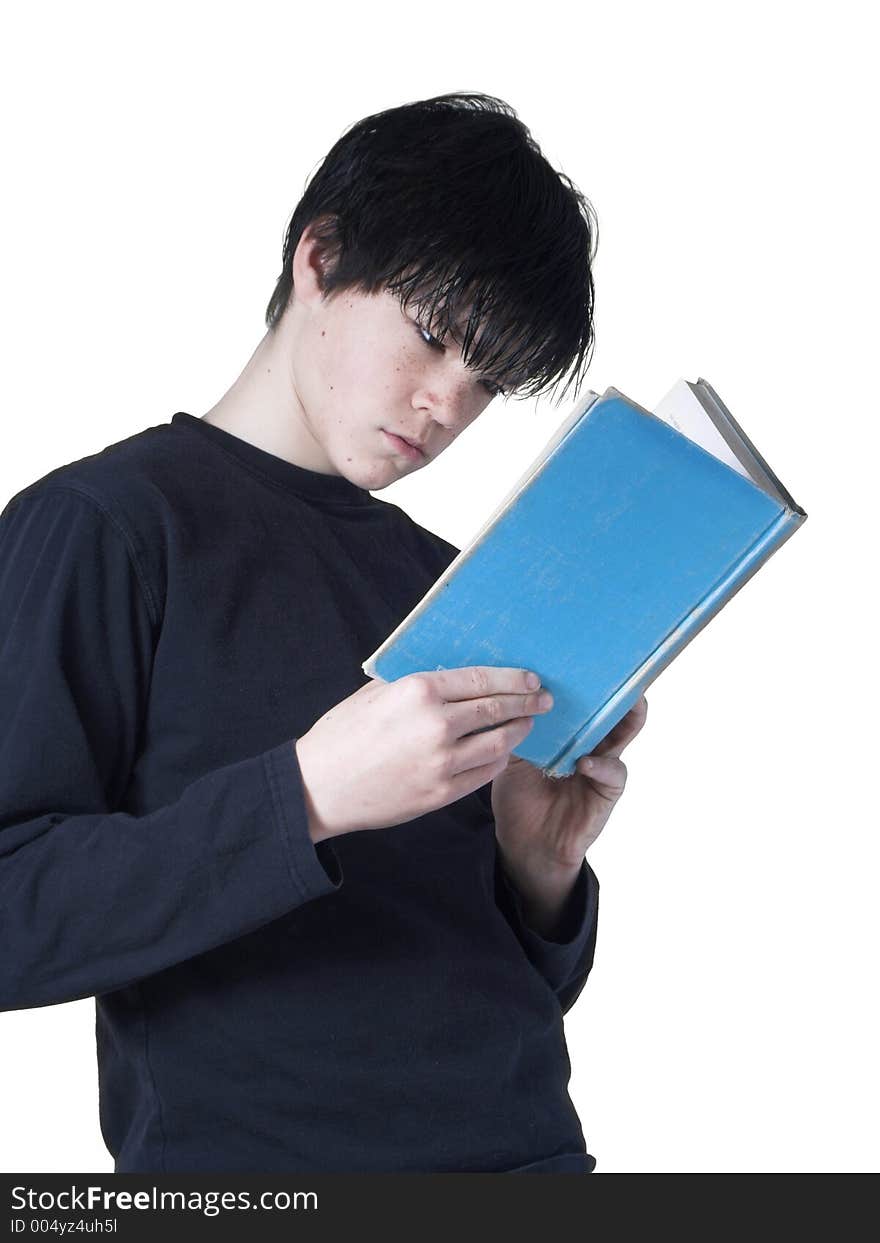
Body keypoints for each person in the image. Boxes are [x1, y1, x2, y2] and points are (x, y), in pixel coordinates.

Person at [0, 92, 647, 1174]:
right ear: (320, 256)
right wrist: (303, 796)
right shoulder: (105, 527)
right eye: (434, 334)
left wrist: (538, 869)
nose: (446, 402)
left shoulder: (450, 581)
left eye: (485, 380)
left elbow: (499, 995)